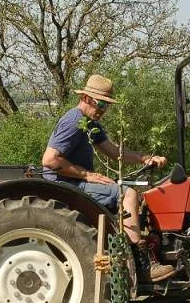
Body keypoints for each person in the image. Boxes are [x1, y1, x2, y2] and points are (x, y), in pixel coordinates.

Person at [41, 74, 176, 282]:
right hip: (65, 184)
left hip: (75, 182)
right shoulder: (75, 121)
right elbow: (50, 160)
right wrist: (87, 175)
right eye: (100, 103)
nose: (103, 109)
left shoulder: (89, 123)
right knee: (127, 194)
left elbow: (113, 151)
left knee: (130, 193)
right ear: (86, 98)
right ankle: (142, 266)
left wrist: (145, 158)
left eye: (107, 105)